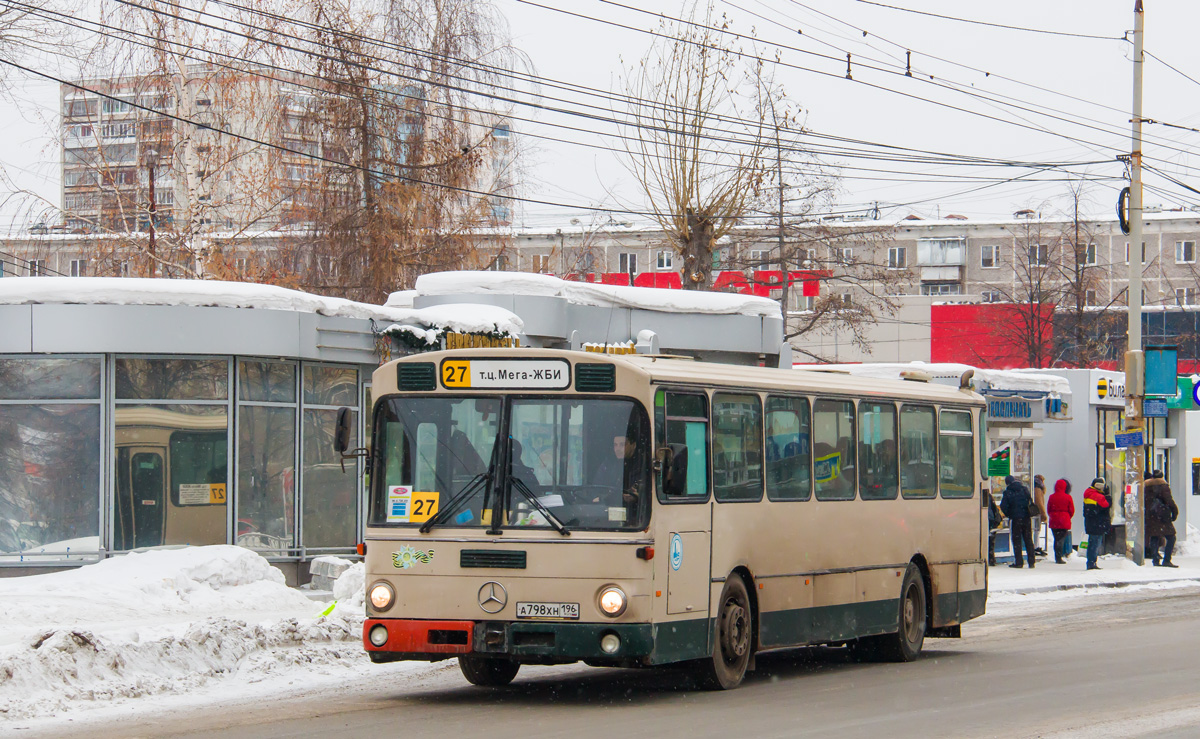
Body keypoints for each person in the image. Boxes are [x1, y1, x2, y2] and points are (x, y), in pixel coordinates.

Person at [594, 433, 644, 508]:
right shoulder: (608, 464)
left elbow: (646, 492)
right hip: (608, 509)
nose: (618, 449)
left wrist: (638, 495)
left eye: (622, 445)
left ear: (633, 445)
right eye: (615, 445)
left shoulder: (642, 465)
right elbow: (596, 487)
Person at [1144, 469, 1180, 567]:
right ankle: (1167, 560)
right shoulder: (1163, 486)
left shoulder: (1145, 487)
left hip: (1150, 516)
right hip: (1162, 516)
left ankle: (1155, 560)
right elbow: (1169, 500)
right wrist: (1174, 511)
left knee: (1154, 536)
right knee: (1171, 537)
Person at [1000, 475, 1035, 568]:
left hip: (1016, 519)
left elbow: (1003, 506)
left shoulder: (1008, 492)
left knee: (1017, 541)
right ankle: (1031, 561)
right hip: (1026, 518)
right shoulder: (1024, 489)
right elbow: (1030, 501)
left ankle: (1019, 562)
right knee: (1028, 539)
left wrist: (1010, 514)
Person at [1082, 477, 1111, 570]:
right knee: (1095, 543)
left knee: (1092, 543)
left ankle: (1091, 562)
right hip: (1097, 523)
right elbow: (1106, 504)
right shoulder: (1097, 496)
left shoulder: (1089, 493)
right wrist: (1108, 495)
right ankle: (1092, 562)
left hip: (1091, 523)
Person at [1046, 478, 1075, 564]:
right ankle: (1059, 557)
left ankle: (1057, 556)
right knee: (1061, 539)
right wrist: (1067, 516)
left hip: (1054, 520)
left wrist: (1053, 515)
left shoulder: (1052, 497)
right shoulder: (1068, 497)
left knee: (1056, 539)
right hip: (1064, 520)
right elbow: (1071, 510)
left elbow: (1049, 509)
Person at [1032, 474, 1049, 556]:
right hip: (1036, 513)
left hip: (1034, 512)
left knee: (1035, 530)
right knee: (1036, 530)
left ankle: (1035, 546)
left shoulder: (1034, 487)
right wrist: (1043, 514)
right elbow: (1039, 502)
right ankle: (1035, 546)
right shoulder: (1038, 488)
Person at [987, 493, 1003, 566]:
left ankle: (988, 558)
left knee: (986, 540)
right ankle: (991, 559)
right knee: (990, 540)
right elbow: (994, 508)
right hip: (991, 519)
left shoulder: (982, 495)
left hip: (986, 519)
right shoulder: (988, 495)